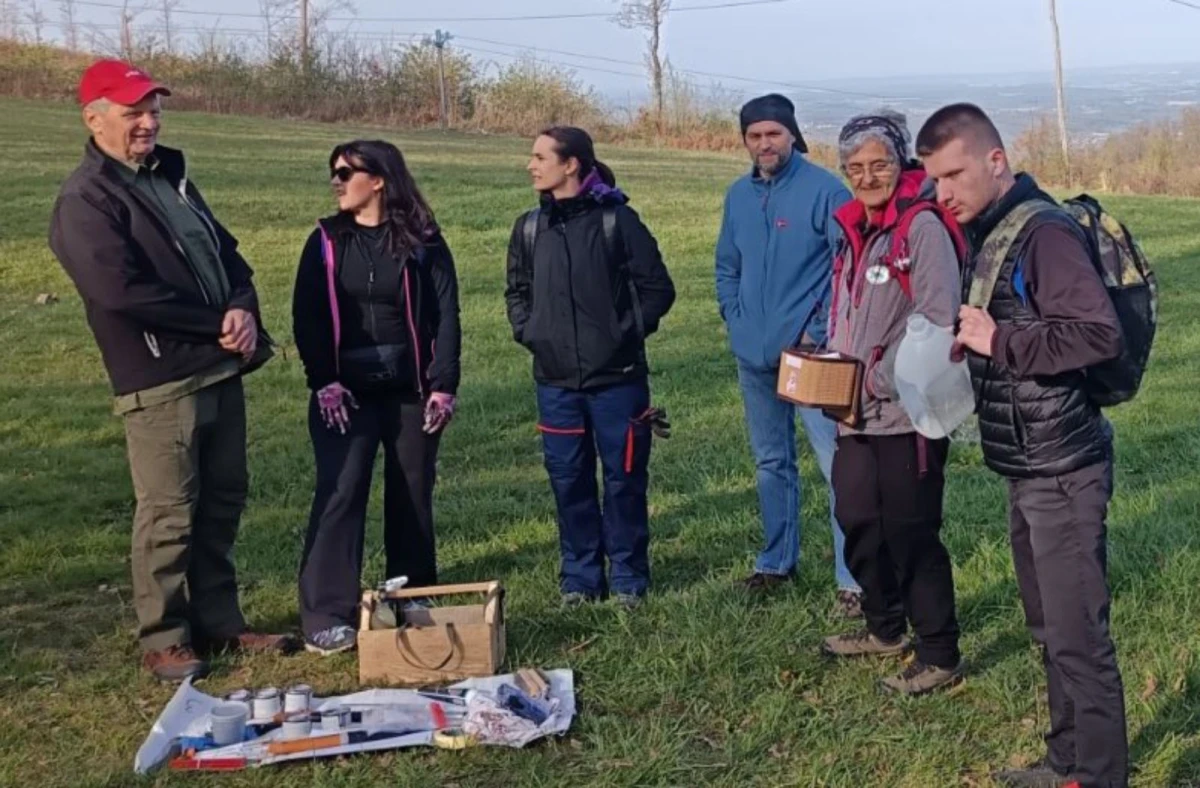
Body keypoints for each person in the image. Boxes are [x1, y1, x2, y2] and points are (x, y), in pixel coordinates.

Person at [48, 59, 295, 682]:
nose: (149, 122)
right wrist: (214, 322)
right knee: (170, 511)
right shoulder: (86, 199)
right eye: (134, 112)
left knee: (223, 500)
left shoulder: (170, 178)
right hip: (159, 379)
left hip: (218, 366)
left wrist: (241, 306)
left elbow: (229, 253)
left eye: (154, 110)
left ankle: (220, 622)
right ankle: (163, 636)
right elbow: (119, 292)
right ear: (94, 118)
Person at [918, 103, 1127, 788]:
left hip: (1064, 467)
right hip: (1029, 462)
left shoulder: (1045, 235)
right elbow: (1019, 321)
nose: (942, 193)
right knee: (1049, 630)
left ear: (995, 160)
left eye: (953, 174)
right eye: (934, 179)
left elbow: (1097, 335)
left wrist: (997, 341)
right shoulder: (995, 229)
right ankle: (1066, 764)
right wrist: (978, 337)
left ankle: (1097, 778)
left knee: (1078, 640)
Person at [293, 140, 461, 655]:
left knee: (411, 491)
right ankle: (326, 611)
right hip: (345, 394)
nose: (337, 182)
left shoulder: (424, 241)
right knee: (341, 491)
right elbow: (309, 316)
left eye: (346, 173)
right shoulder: (324, 241)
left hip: (411, 391)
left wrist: (443, 384)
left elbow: (447, 314)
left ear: (380, 179)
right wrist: (325, 379)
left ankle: (411, 598)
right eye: (334, 174)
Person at [818, 111, 964, 695]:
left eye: (879, 163)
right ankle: (884, 627)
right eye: (854, 168)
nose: (867, 176)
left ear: (901, 161)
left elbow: (934, 316)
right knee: (857, 518)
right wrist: (828, 366)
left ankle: (940, 653)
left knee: (911, 531)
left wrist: (872, 379)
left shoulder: (920, 226)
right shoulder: (856, 226)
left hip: (911, 411)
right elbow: (846, 311)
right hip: (854, 413)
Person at [505, 126, 675, 609]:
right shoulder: (528, 228)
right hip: (555, 384)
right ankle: (579, 580)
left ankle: (628, 580)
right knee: (569, 482)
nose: (530, 164)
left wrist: (621, 335)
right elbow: (516, 292)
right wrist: (530, 331)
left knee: (623, 482)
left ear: (572, 164)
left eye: (540, 156)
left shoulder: (617, 221)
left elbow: (658, 289)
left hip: (618, 383)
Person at [714, 93, 863, 614]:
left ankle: (853, 580)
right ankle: (776, 561)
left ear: (792, 135)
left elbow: (849, 267)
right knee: (770, 463)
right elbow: (726, 265)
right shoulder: (738, 196)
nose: (764, 144)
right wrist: (735, 318)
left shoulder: (826, 191)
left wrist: (818, 331)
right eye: (754, 136)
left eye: (773, 134)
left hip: (812, 356)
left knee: (837, 465)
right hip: (753, 354)